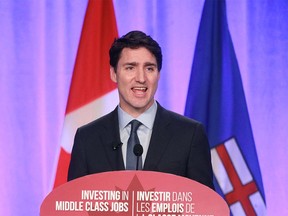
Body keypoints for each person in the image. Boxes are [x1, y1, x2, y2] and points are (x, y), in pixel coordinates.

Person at [68, 30, 214, 189]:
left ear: (158, 74)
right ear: (114, 74)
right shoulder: (88, 138)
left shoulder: (190, 135)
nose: (141, 78)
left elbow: (205, 206)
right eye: (130, 68)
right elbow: (74, 205)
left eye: (149, 68)